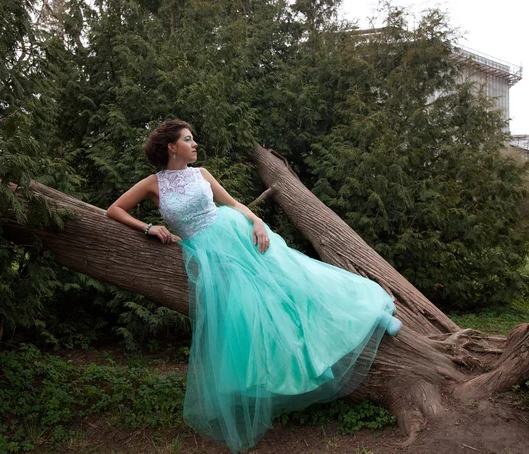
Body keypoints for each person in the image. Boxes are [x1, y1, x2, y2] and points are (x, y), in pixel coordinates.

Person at [106, 119, 402, 453]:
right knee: (249, 311)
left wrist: (258, 223)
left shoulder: (201, 174)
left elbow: (232, 205)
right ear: (172, 147)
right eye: (189, 140)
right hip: (203, 251)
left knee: (295, 280)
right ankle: (274, 379)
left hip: (236, 233)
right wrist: (148, 227)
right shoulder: (152, 184)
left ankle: (371, 313)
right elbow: (113, 209)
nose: (195, 145)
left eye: (194, 140)